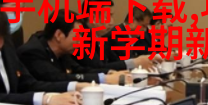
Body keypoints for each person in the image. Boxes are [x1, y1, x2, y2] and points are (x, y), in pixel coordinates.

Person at [18, 10, 154, 85]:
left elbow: (80, 69)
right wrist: (103, 79)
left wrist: (108, 73)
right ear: (59, 35)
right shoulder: (33, 52)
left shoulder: (62, 51)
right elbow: (58, 78)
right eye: (77, 35)